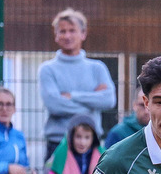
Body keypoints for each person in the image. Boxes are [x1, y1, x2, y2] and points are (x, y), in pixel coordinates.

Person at [38, 8, 115, 158]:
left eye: (72, 30)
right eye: (62, 31)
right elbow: (54, 105)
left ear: (83, 33)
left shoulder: (97, 68)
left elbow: (109, 100)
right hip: (58, 143)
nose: (67, 35)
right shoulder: (47, 69)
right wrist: (92, 103)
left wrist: (72, 96)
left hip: (90, 144)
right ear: (56, 36)